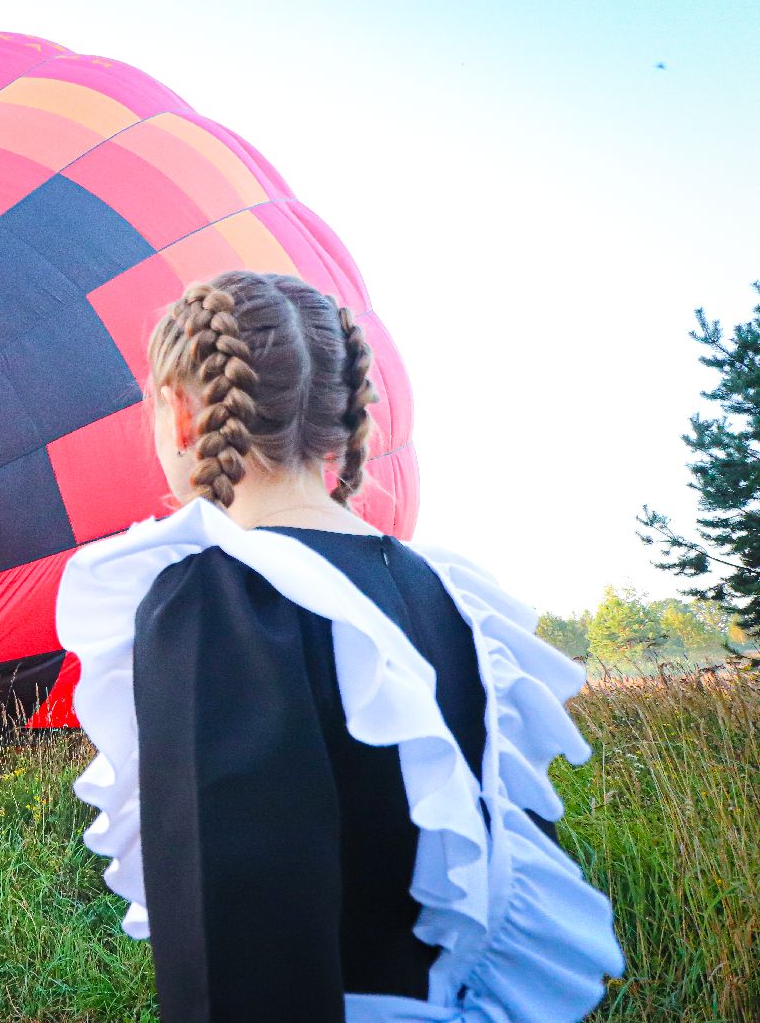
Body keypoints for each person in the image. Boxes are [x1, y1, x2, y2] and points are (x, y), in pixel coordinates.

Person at [58, 271, 623, 1022]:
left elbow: (234, 938)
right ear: (340, 414)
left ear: (182, 412)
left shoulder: (221, 599)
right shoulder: (453, 598)